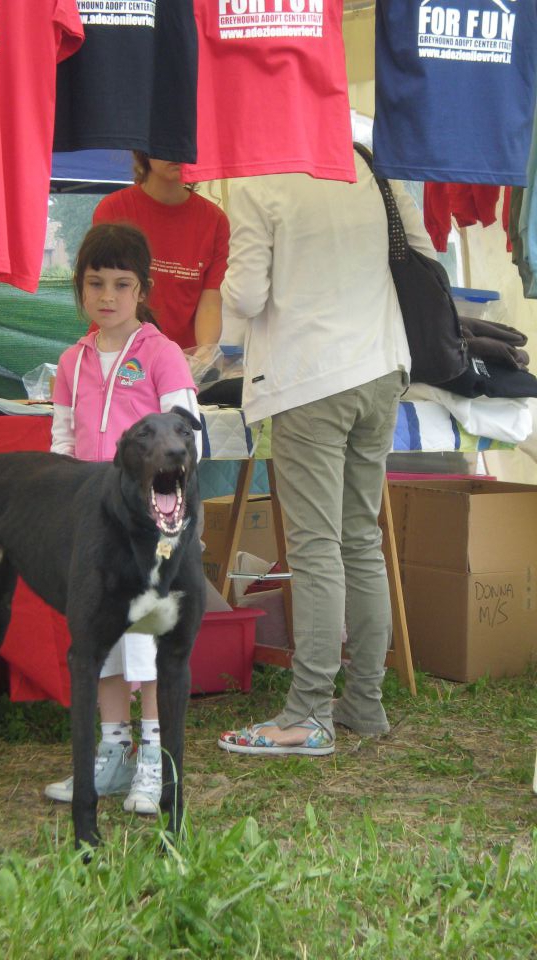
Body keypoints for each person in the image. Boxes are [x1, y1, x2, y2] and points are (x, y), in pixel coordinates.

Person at [217, 148, 435, 757]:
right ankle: (364, 701)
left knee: (316, 548)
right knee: (359, 539)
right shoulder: (371, 161)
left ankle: (309, 713)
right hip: (381, 368)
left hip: (311, 377)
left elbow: (245, 297)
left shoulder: (262, 178)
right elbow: (421, 252)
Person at [44, 222, 201, 813]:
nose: (107, 296)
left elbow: (186, 439)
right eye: (94, 283)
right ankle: (112, 755)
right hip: (95, 531)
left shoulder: (161, 354)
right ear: (79, 289)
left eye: (121, 284)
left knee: (149, 648)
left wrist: (166, 513)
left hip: (150, 532)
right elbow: (61, 441)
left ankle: (157, 764)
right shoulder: (70, 361)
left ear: (143, 289)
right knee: (101, 640)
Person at [92, 152, 230, 349]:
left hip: (180, 360)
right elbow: (106, 293)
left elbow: (210, 303)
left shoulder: (214, 220)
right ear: (143, 150)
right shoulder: (113, 209)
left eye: (186, 141)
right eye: (166, 140)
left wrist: (204, 354)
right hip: (118, 351)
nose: (177, 151)